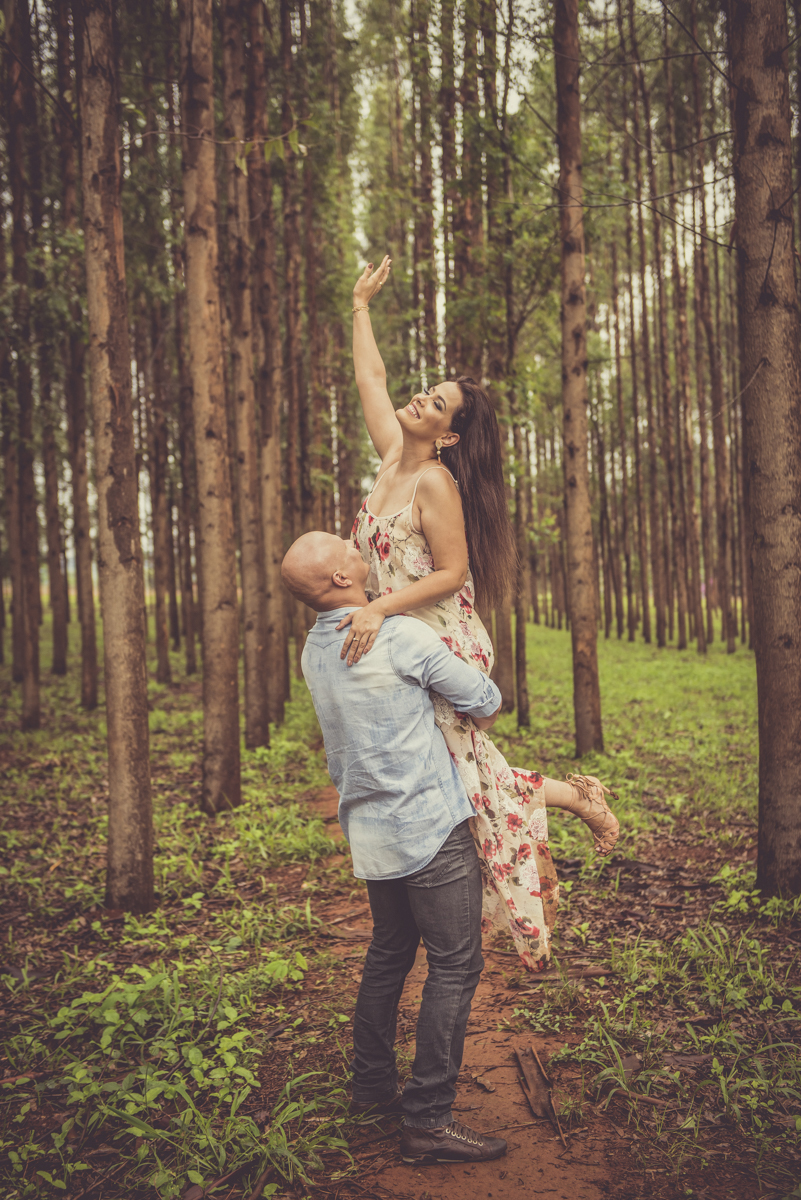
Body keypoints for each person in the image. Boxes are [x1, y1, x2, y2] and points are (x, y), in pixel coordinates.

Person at [341, 255, 620, 972]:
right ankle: (573, 796)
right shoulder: (386, 463)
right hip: (398, 633)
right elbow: (370, 379)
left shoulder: (433, 481)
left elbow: (454, 574)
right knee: (463, 770)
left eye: (434, 406)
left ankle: (564, 808)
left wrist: (376, 609)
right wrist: (360, 306)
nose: (417, 402)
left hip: (439, 636)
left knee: (460, 769)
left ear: (449, 436)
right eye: (425, 394)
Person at [282, 531, 508, 1165]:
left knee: (389, 952)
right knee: (456, 966)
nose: (358, 545)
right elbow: (486, 702)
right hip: (429, 826)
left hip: (372, 831)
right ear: (338, 580)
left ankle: (372, 1089)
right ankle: (429, 1120)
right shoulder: (400, 635)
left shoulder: (313, 651)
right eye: (343, 548)